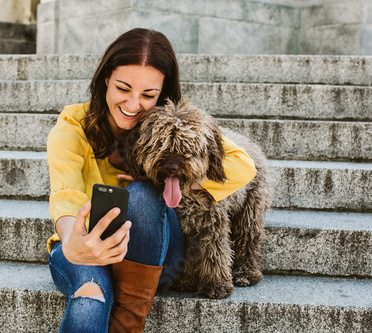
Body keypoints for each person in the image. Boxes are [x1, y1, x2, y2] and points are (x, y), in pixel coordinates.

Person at [46, 28, 257, 333]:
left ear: (162, 93)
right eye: (123, 88)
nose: (133, 105)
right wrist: (73, 241)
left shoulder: (170, 122)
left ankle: (129, 313)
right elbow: (65, 194)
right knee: (90, 294)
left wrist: (168, 176)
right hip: (85, 245)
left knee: (143, 193)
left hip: (157, 253)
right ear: (106, 77)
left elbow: (243, 165)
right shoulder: (72, 126)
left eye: (148, 95)